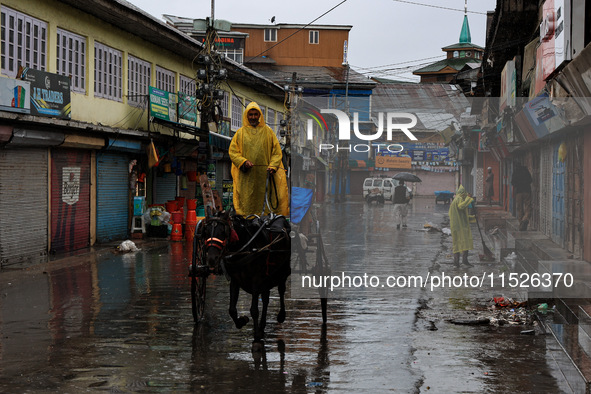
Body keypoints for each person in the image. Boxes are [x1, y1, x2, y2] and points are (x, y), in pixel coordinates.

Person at [229, 102, 289, 217]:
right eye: (250, 114)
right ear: (247, 116)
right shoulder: (239, 133)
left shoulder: (268, 132)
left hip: (265, 178)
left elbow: (276, 152)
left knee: (266, 206)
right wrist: (243, 162)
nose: (253, 117)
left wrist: (272, 166)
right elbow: (233, 152)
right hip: (246, 179)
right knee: (246, 206)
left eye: (255, 114)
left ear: (259, 115)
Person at [449, 185, 474, 267]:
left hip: (456, 226)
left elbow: (461, 215)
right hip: (460, 226)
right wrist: (469, 199)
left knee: (457, 243)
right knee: (464, 242)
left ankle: (457, 262)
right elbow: (461, 206)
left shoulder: (456, 199)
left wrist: (473, 218)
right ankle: (462, 261)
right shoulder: (459, 199)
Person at [511, 164, 532, 231]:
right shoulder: (526, 170)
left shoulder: (515, 171)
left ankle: (521, 223)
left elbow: (512, 182)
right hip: (527, 191)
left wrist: (517, 184)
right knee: (528, 206)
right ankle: (525, 219)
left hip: (519, 192)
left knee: (519, 208)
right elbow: (530, 180)